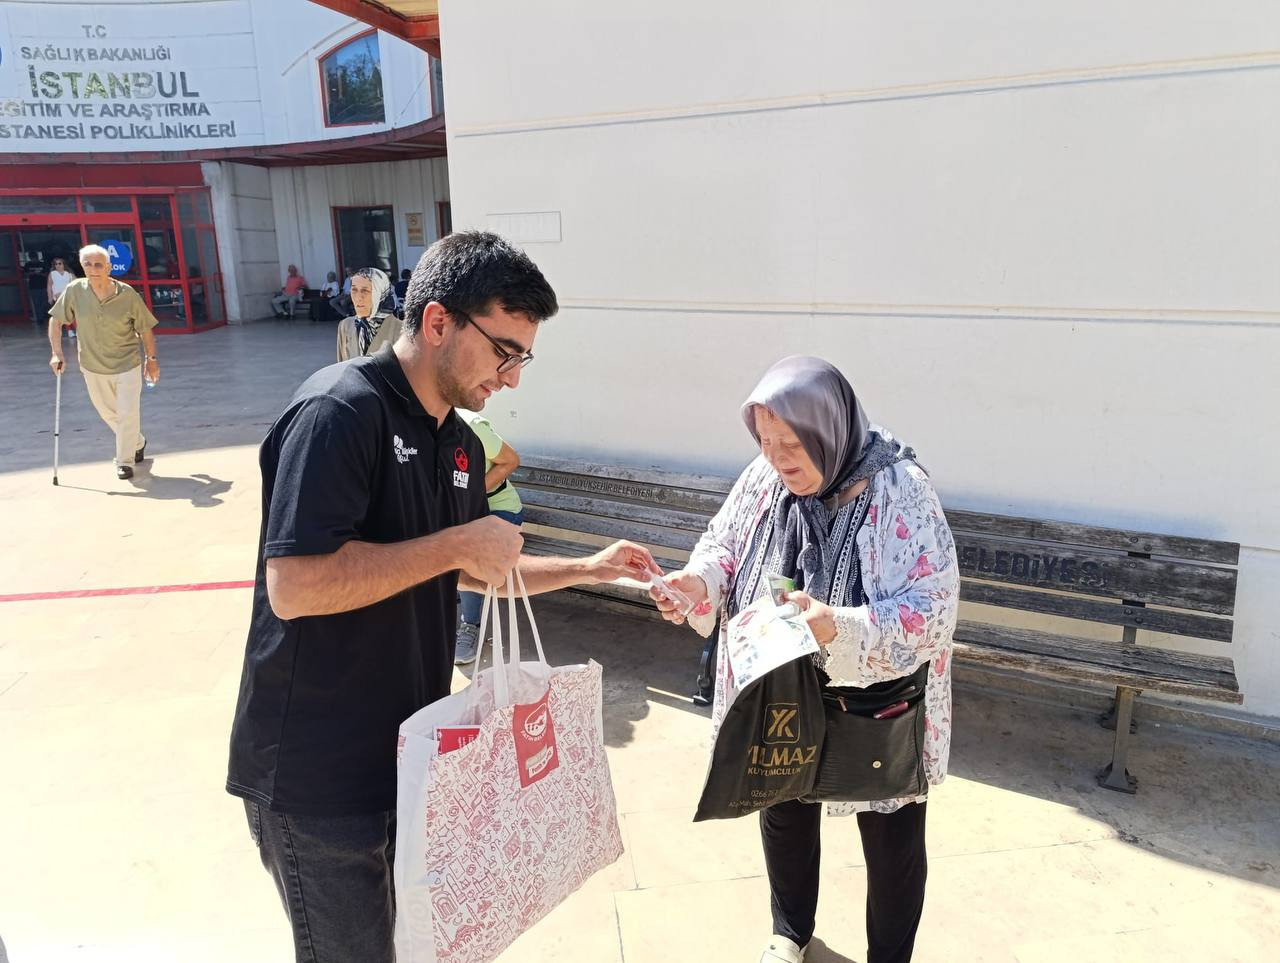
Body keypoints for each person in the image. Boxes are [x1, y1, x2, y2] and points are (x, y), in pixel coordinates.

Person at [226, 230, 660, 963]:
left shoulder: (459, 442)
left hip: (413, 756)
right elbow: (294, 585)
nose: (512, 379)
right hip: (318, 775)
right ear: (436, 322)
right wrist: (456, 545)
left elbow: (472, 567)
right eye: (503, 352)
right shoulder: (338, 412)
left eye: (523, 358)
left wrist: (591, 568)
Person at [649, 357, 959, 963]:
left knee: (892, 837)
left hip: (874, 703)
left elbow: (934, 609)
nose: (777, 459)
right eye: (764, 442)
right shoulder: (765, 479)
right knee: (782, 806)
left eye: (791, 444)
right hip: (783, 688)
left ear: (829, 431)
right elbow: (724, 547)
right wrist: (696, 582)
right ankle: (790, 930)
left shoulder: (900, 490)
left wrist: (839, 626)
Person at [47, 245, 160, 480]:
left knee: (127, 413)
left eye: (98, 264)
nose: (93, 269)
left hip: (127, 363)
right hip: (92, 365)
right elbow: (56, 321)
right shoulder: (75, 290)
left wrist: (151, 359)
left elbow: (145, 329)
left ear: (109, 267)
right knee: (108, 413)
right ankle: (137, 442)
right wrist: (57, 353)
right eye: (87, 264)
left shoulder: (127, 294)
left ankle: (124, 461)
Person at [453, 408, 523, 663]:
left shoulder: (471, 426)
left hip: (499, 510)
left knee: (470, 555)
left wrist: (470, 494)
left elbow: (511, 460)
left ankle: (470, 626)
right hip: (464, 511)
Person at [336, 268, 402, 361]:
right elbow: (341, 365)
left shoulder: (402, 330)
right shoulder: (346, 326)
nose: (358, 298)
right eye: (354, 290)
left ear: (381, 294)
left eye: (365, 291)